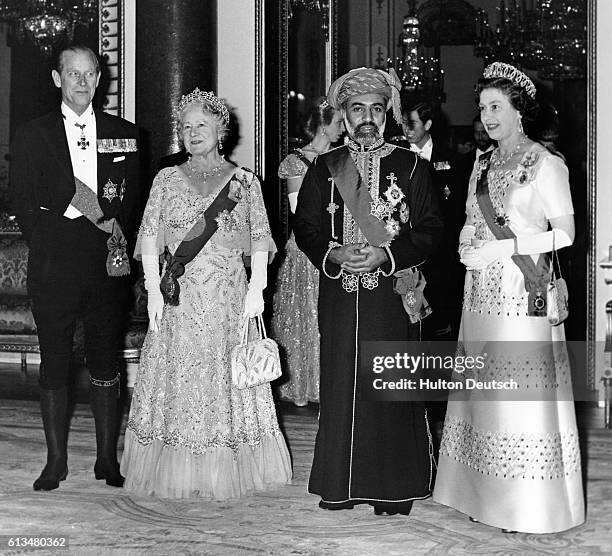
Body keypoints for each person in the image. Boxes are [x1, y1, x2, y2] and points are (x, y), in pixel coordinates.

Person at [433, 62, 585, 533]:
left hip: (522, 296)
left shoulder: (546, 163)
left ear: (521, 110)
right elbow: (470, 219)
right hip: (480, 293)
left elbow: (565, 234)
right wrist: (465, 243)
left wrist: (508, 246)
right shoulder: (482, 162)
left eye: (496, 106)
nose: (487, 115)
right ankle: (476, 494)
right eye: (482, 107)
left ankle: (526, 503)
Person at [120, 88, 292, 499]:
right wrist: (151, 288)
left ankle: (225, 463)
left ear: (221, 130)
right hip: (178, 298)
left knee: (224, 378)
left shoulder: (245, 184)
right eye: (185, 126)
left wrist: (257, 289)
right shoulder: (165, 179)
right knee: (180, 379)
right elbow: (148, 236)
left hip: (228, 300)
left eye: (201, 125)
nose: (192, 133)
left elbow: (260, 241)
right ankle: (178, 461)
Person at [293, 67, 443, 515]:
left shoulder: (413, 166)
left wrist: (387, 255)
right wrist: (333, 253)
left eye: (376, 109)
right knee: (341, 384)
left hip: (390, 293)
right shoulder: (325, 166)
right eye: (358, 109)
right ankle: (340, 485)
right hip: (340, 290)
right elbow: (305, 227)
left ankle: (392, 490)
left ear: (387, 113)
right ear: (343, 113)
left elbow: (432, 228)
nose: (367, 118)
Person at [10, 45, 140, 491]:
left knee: (106, 360)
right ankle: (56, 463)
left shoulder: (126, 134)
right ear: (56, 78)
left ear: (99, 78)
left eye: (89, 74)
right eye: (72, 74)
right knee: (55, 362)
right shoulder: (32, 134)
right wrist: (50, 240)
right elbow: (22, 202)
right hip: (54, 263)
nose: (81, 83)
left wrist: (114, 236)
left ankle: (107, 460)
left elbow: (135, 202)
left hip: (107, 262)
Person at [271, 97, 344, 406]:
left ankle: (331, 383)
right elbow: (299, 212)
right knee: (307, 317)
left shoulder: (344, 158)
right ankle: (305, 384)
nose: (343, 128)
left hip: (339, 246)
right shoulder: (296, 161)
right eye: (338, 122)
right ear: (323, 124)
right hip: (307, 248)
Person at [401, 102, 464, 339]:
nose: (407, 129)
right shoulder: (397, 156)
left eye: (412, 124)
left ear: (427, 125)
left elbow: (456, 210)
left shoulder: (449, 159)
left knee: (437, 318)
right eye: (404, 123)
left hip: (440, 251)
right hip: (407, 247)